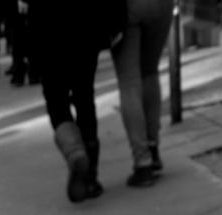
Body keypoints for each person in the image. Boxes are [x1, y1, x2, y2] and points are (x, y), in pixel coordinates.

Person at [27, 0, 110, 200]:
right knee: (84, 97)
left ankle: (75, 153)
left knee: (56, 101)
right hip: (85, 27)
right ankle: (91, 175)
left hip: (48, 30)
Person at [111, 0, 172, 185]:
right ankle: (152, 147)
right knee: (150, 72)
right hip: (161, 5)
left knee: (129, 82)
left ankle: (142, 161)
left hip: (127, 7)